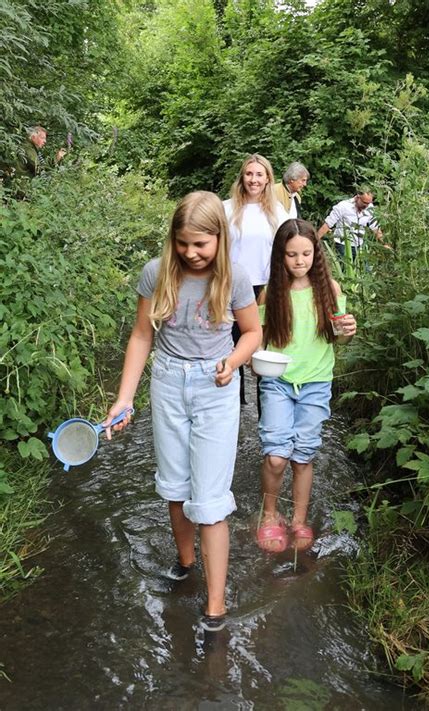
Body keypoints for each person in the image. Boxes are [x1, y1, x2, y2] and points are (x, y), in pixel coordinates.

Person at [103, 191, 261, 631]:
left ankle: (214, 607)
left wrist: (232, 362)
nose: (191, 253)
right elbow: (141, 337)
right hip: (168, 384)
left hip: (215, 386)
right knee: (175, 487)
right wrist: (124, 397)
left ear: (219, 240)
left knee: (209, 501)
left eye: (201, 244)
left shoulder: (236, 278)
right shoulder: (156, 274)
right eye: (182, 243)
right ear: (172, 239)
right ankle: (186, 561)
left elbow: (252, 333)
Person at [256, 218, 357, 553]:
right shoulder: (272, 293)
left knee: (303, 456)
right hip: (277, 381)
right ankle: (269, 514)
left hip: (316, 381)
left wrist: (347, 332)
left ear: (316, 253)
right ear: (280, 257)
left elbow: (337, 338)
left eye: (306, 253)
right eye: (291, 255)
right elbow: (256, 337)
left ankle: (298, 520)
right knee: (276, 457)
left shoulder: (331, 290)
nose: (299, 261)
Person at [223, 153, 288, 403]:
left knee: (263, 352)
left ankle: (267, 415)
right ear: (242, 177)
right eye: (249, 174)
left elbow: (287, 250)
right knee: (232, 350)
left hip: (266, 288)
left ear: (268, 179)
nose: (254, 179)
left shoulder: (278, 212)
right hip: (231, 287)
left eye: (259, 174)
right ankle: (233, 409)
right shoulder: (226, 208)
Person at [316, 189, 390, 261]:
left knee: (365, 270)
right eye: (364, 202)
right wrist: (315, 241)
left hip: (359, 245)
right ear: (357, 197)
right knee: (346, 269)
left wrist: (384, 243)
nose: (366, 206)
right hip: (343, 244)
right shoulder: (343, 206)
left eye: (368, 203)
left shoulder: (370, 208)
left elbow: (375, 227)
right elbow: (328, 224)